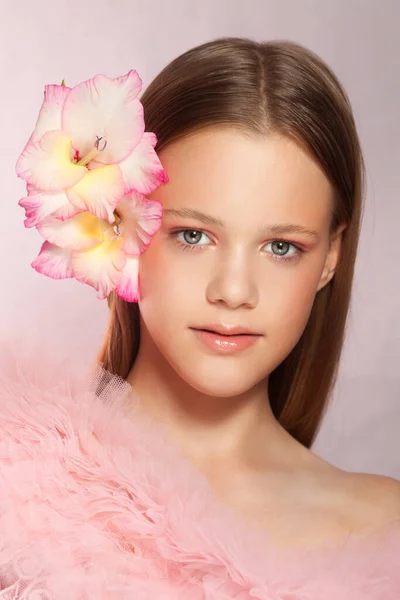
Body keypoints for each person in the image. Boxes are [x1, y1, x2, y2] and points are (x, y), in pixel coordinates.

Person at [0, 37, 399, 598]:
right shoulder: (14, 480)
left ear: (330, 256)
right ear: (123, 223)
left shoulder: (387, 533)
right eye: (193, 235)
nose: (234, 291)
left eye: (282, 247)